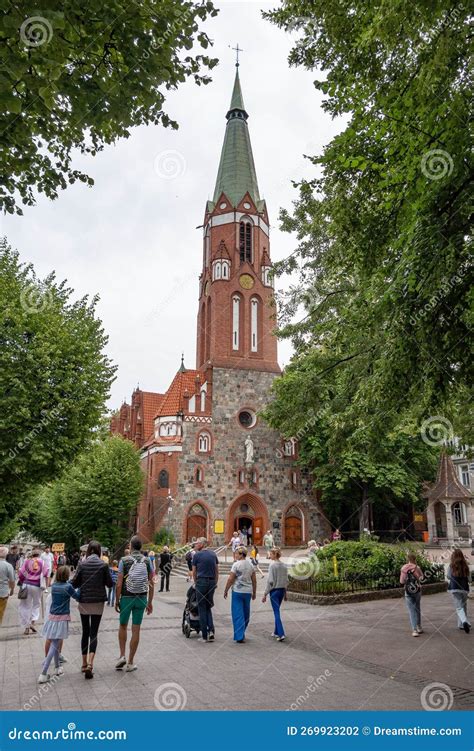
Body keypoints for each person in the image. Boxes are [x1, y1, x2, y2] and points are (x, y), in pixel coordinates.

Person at [71, 540, 112, 679]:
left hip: (84, 601)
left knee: (85, 632)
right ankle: (90, 663)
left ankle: (83, 663)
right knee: (94, 633)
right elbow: (109, 583)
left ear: (88, 550)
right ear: (100, 551)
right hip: (98, 602)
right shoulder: (103, 565)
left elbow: (74, 582)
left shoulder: (82, 564)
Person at [115, 536, 154, 672]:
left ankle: (122, 656)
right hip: (141, 598)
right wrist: (150, 602)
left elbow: (119, 583)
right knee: (136, 629)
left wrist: (116, 599)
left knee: (123, 625)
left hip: (126, 597)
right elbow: (151, 583)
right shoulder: (148, 561)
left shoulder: (124, 561)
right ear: (141, 547)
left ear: (131, 546)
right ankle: (131, 662)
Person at [37, 566, 80, 684]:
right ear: (67, 575)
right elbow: (77, 597)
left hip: (52, 617)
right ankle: (43, 673)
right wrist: (81, 587)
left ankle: (57, 667)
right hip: (62, 618)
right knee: (55, 644)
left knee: (55, 642)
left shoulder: (54, 586)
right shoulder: (68, 587)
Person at [224, 545, 256, 643]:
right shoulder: (251, 564)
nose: (235, 555)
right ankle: (242, 631)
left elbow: (230, 579)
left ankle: (239, 635)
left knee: (238, 613)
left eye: (237, 553)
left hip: (237, 591)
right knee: (246, 613)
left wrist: (226, 590)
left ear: (241, 554)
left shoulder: (236, 565)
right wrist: (254, 592)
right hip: (247, 592)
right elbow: (254, 580)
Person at [192, 537, 218, 643]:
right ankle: (211, 631)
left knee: (202, 607)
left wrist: (196, 582)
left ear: (202, 544)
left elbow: (194, 571)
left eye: (197, 543)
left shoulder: (197, 555)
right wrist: (215, 582)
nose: (196, 545)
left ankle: (204, 635)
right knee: (208, 606)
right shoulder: (213, 554)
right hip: (211, 582)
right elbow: (217, 570)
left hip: (201, 582)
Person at [17, 548, 49, 635]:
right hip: (37, 586)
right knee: (36, 604)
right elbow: (46, 573)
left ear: (32, 554)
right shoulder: (42, 562)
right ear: (39, 555)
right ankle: (32, 622)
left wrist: (23, 580)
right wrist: (46, 584)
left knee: (25, 606)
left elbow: (21, 573)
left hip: (27, 585)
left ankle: (26, 626)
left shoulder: (27, 561)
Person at [262, 547, 289, 642]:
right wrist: (285, 593)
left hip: (274, 591)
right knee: (277, 611)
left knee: (276, 612)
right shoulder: (284, 565)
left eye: (271, 554)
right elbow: (286, 581)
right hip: (281, 591)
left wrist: (265, 593)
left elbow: (270, 581)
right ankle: (276, 631)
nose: (270, 555)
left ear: (274, 555)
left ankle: (281, 633)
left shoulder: (272, 566)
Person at [400, 552, 423, 637]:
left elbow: (401, 581)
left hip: (408, 591)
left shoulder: (404, 568)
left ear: (407, 559)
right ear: (415, 559)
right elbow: (422, 578)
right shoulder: (418, 568)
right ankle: (419, 626)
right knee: (417, 608)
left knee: (411, 610)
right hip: (417, 590)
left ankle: (414, 630)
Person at [447, 549, 470, 633]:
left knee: (459, 607)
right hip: (464, 589)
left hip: (455, 588)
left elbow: (448, 576)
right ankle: (461, 624)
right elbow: (469, 579)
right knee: (464, 606)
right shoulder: (465, 566)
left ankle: (464, 622)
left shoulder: (451, 565)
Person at [0, 546, 15, 625]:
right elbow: (12, 580)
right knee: (0, 612)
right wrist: (12, 590)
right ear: (6, 554)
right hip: (3, 592)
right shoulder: (8, 566)